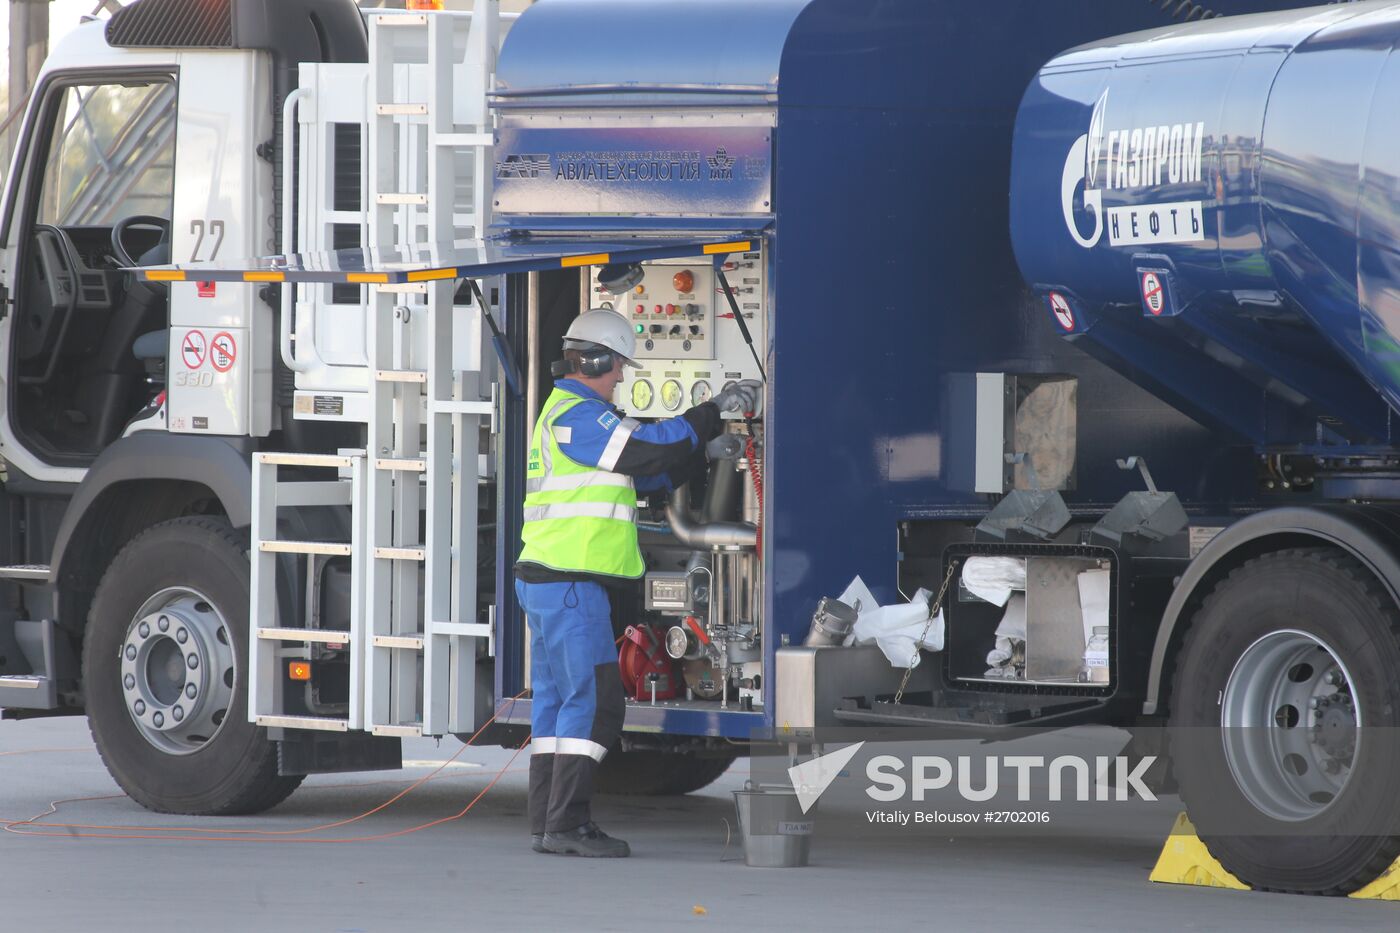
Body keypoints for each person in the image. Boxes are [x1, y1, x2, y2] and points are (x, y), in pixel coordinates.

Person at [515, 308, 761, 858]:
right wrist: (710, 413)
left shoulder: (569, 413)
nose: (622, 376)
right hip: (570, 583)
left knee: (556, 708)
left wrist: (702, 456)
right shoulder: (579, 415)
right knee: (596, 704)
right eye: (619, 367)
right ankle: (568, 825)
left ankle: (547, 824)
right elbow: (645, 447)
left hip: (553, 581)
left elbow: (646, 472)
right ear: (597, 360)